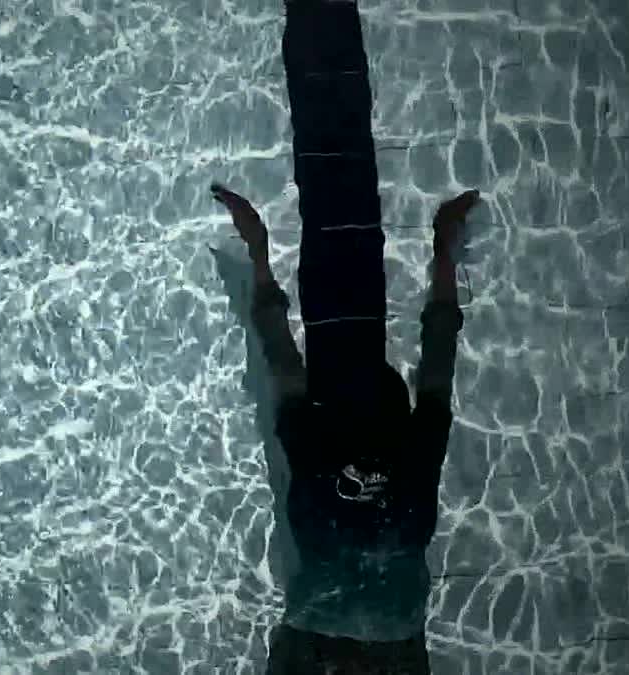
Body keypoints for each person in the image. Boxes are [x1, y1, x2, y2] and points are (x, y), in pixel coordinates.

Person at [211, 1, 481, 673]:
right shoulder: (335, 477)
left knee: (340, 192)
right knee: (338, 195)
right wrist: (260, 257)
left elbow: (436, 372)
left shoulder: (389, 479)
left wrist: (444, 255)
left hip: (363, 603)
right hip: (345, 598)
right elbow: (289, 364)